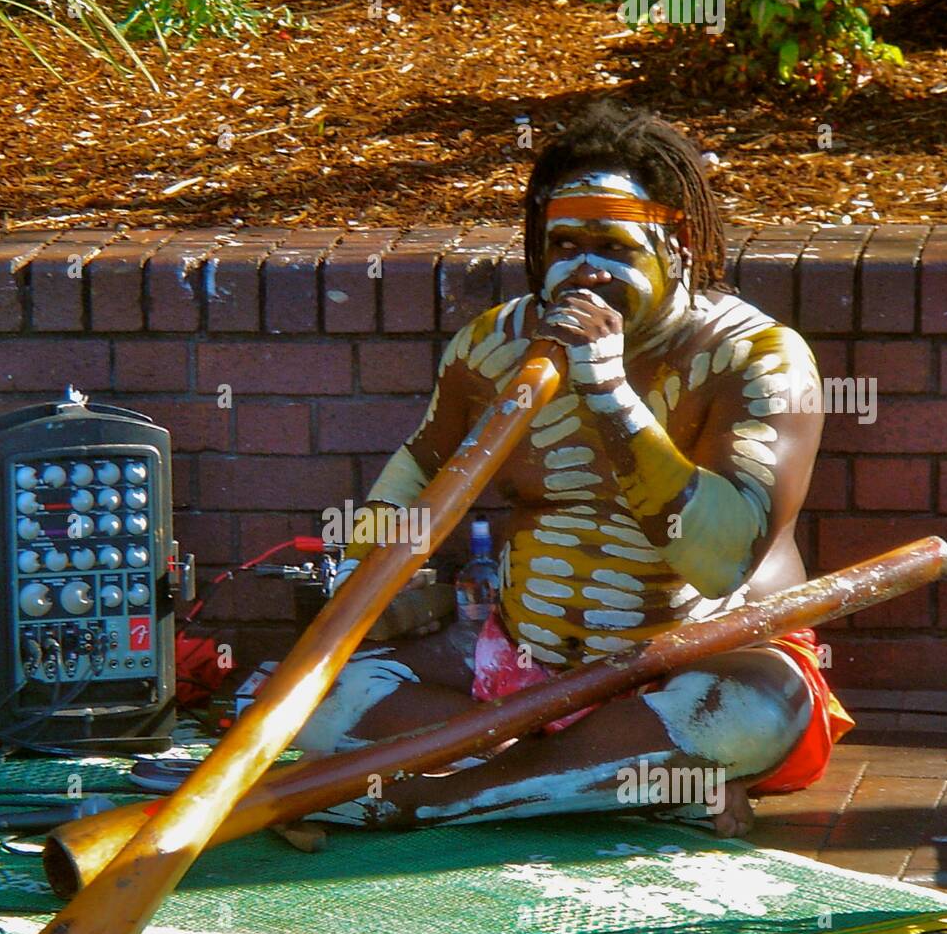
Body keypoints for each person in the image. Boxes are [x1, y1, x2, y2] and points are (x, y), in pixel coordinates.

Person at [294, 100, 853, 837]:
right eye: (563, 244)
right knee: (316, 705)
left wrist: (610, 391)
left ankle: (432, 798)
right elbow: (419, 475)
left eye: (613, 246)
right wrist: (357, 581)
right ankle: (629, 784)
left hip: (701, 667)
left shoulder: (757, 359)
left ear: (678, 242)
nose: (585, 269)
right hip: (521, 667)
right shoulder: (493, 347)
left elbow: (723, 561)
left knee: (747, 717)